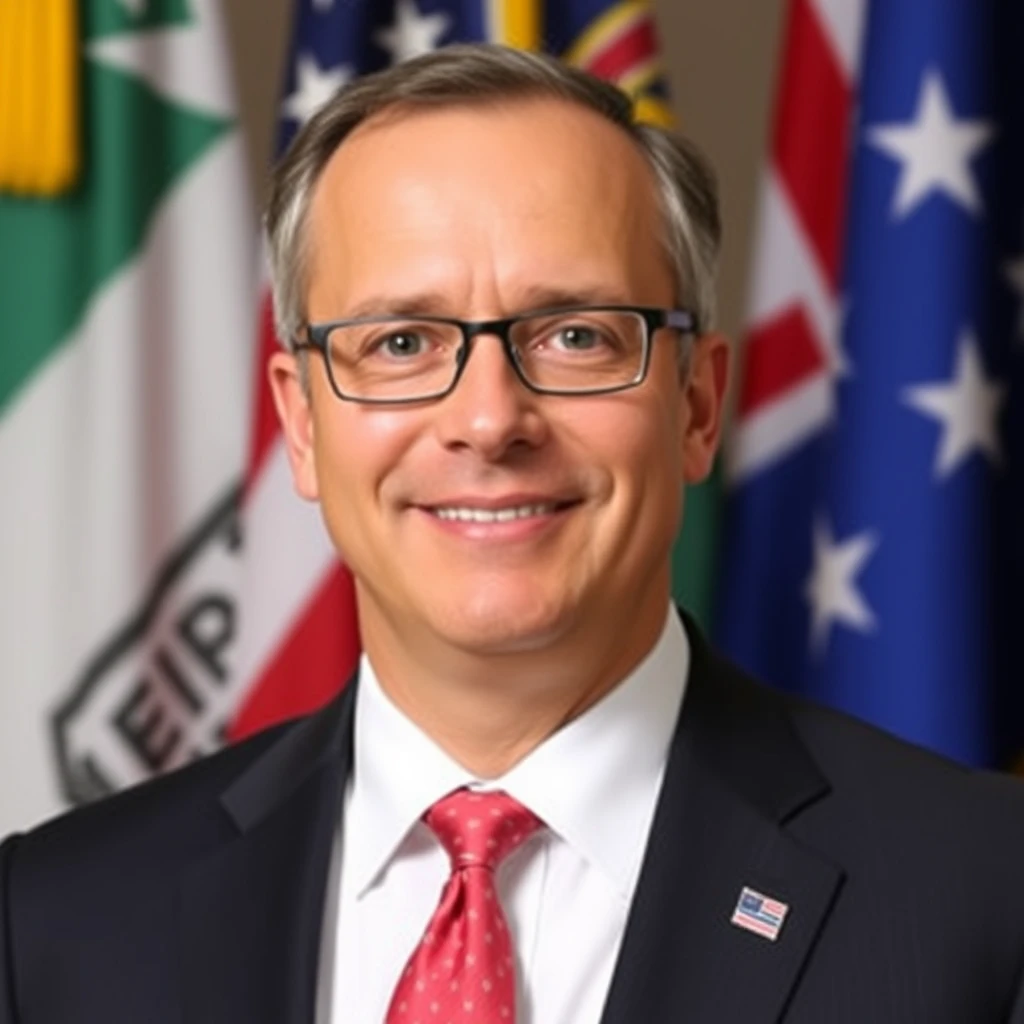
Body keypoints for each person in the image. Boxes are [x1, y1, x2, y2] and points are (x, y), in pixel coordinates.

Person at [2, 43, 1024, 1024]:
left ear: (697, 405)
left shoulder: (984, 898)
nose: (489, 422)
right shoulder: (55, 922)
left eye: (575, 334)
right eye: (400, 341)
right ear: (302, 424)